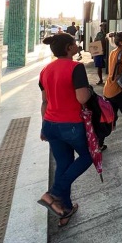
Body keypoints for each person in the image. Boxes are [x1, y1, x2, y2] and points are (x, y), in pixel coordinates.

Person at [37, 33, 92, 227]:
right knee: (88, 157)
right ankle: (54, 193)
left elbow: (45, 101)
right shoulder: (76, 67)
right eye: (75, 44)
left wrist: (44, 126)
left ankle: (64, 209)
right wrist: (90, 90)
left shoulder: (45, 70)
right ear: (69, 48)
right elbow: (82, 98)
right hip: (71, 125)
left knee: (64, 164)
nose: (77, 45)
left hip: (51, 124)